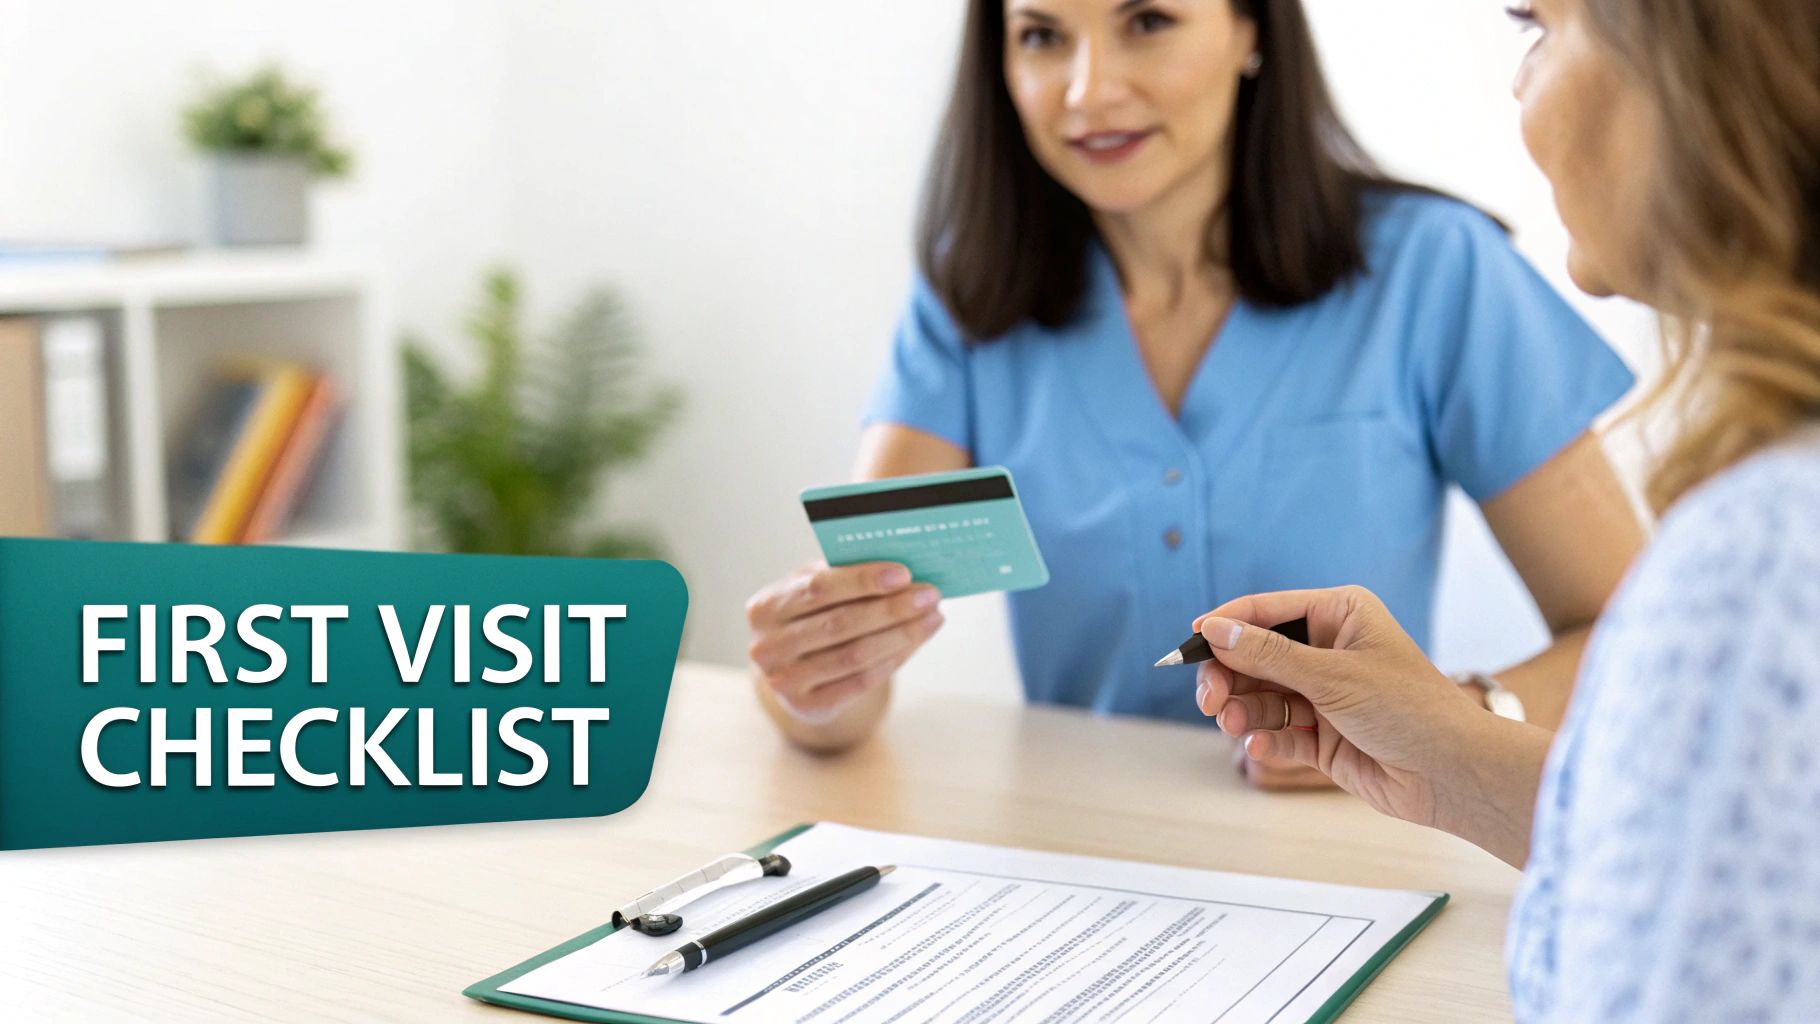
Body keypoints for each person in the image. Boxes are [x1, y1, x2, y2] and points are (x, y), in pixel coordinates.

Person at [745, 0, 1645, 776]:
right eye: (1041, 37)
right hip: (1075, 877)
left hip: (1352, 859)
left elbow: (1632, 632)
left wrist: (1446, 726)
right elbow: (849, 674)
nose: (1087, 91)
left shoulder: (1436, 270)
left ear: (1252, 30)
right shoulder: (971, 298)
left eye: (1147, 21)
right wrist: (813, 676)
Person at [1192, 0, 1820, 1016]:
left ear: (1692, 57)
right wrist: (1453, 750)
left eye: (1535, 26)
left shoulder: (1750, 564)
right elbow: (1721, 850)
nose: (1517, 85)